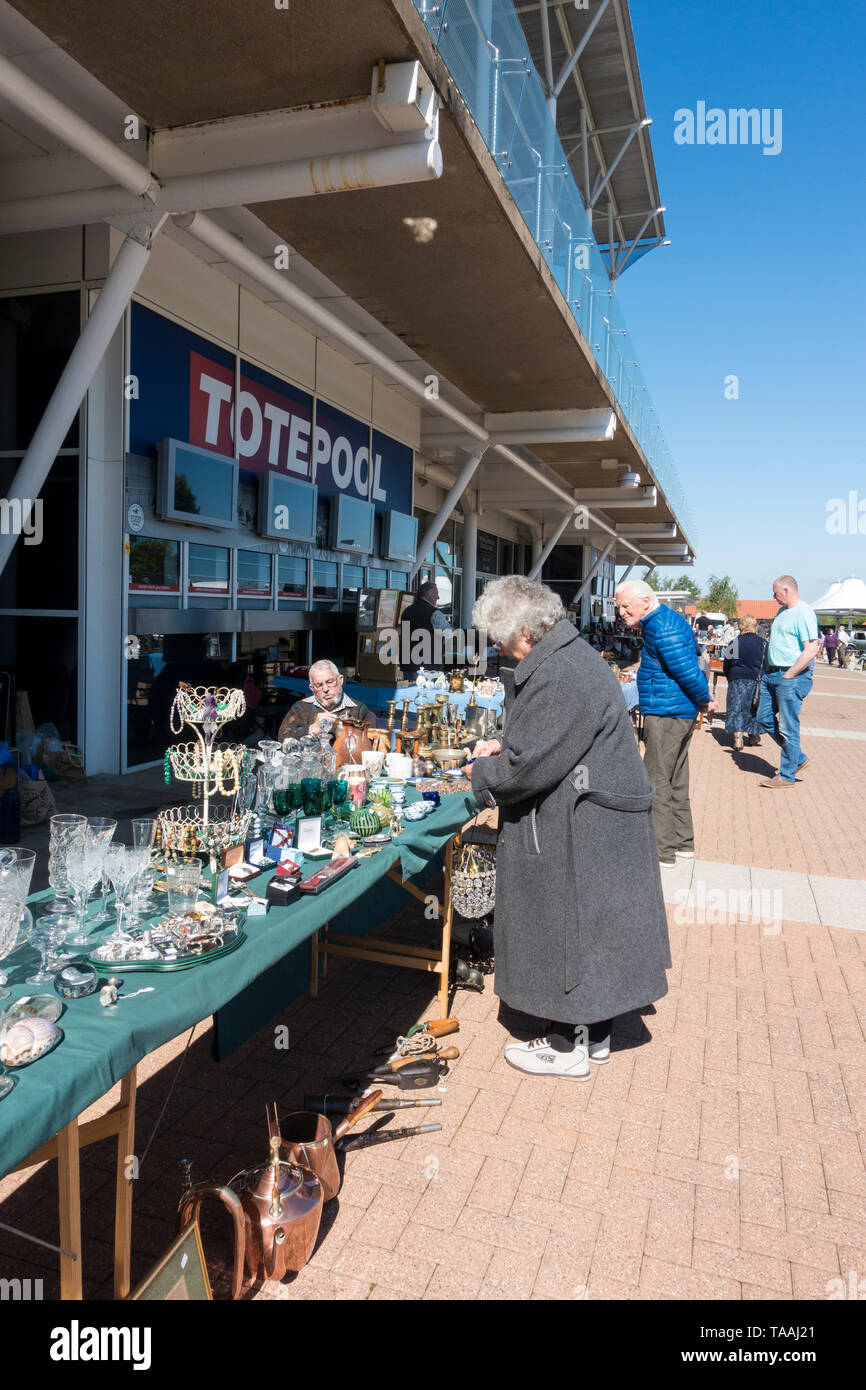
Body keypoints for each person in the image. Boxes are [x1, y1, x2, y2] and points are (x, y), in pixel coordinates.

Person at [462, 576, 670, 1081]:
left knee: (571, 927)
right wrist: (506, 747)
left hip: (587, 822)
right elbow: (544, 742)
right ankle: (592, 1036)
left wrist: (481, 773)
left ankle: (567, 1046)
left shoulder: (562, 672)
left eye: (498, 635)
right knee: (587, 930)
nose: (495, 645)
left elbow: (528, 767)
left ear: (523, 630)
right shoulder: (567, 657)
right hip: (596, 817)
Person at [616, 580, 712, 866]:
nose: (621, 612)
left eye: (625, 605)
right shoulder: (662, 622)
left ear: (645, 601)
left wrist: (706, 699)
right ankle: (683, 843)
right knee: (675, 779)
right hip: (675, 711)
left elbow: (686, 670)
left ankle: (662, 851)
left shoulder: (662, 626)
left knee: (656, 779)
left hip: (668, 713)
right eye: (619, 607)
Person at [756, 575, 821, 789]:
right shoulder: (782, 612)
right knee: (764, 718)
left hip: (789, 676)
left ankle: (786, 775)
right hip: (772, 674)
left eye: (775, 592)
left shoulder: (804, 612)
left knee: (787, 727)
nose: (773, 596)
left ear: (787, 591)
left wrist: (791, 674)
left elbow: (811, 648)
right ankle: (798, 758)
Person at [277, 659, 373, 741]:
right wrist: (311, 730)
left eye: (330, 682)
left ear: (340, 680)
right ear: (312, 688)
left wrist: (353, 734)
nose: (326, 689)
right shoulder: (301, 708)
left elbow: (374, 743)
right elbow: (282, 738)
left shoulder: (358, 709)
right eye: (319, 685)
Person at [722, 614, 764, 751]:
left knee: (737, 708)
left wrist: (729, 677)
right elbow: (767, 664)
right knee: (753, 707)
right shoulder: (763, 644)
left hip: (737, 678)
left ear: (740, 626)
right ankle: (752, 736)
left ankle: (738, 739)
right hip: (756, 679)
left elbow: (727, 664)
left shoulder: (734, 643)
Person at [399, 580, 455, 679]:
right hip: (428, 668)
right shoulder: (433, 612)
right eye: (436, 594)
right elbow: (448, 633)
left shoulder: (406, 611)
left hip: (407, 665)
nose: (438, 597)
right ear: (427, 595)